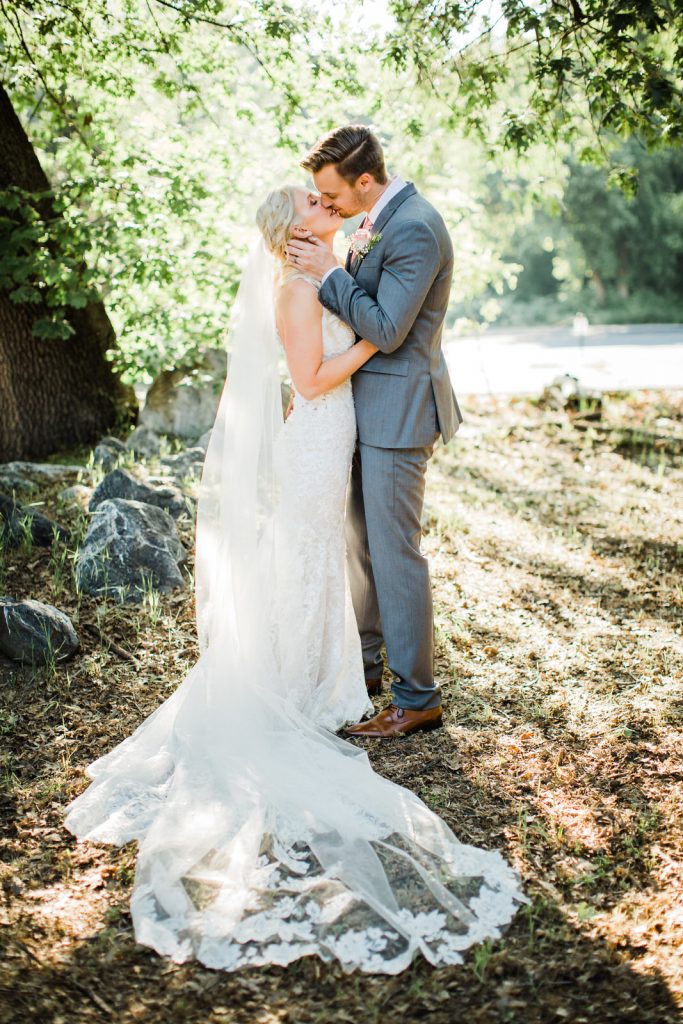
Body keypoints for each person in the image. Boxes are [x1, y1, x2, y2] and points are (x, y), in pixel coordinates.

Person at [62, 176, 525, 975]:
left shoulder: (315, 274)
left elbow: (345, 310)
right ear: (289, 232)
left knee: (313, 556)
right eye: (311, 205)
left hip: (324, 434)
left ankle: (314, 673)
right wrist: (373, 345)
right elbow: (310, 379)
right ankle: (295, 683)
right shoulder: (291, 288)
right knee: (307, 553)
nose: (325, 206)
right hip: (316, 437)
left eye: (326, 201)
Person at [286, 124, 464, 739]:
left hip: (400, 412)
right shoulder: (377, 219)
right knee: (364, 550)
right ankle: (362, 672)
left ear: (366, 181)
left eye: (333, 198)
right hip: (364, 408)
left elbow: (387, 329)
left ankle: (417, 698)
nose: (328, 208)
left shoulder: (414, 226)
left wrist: (331, 271)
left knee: (395, 554)